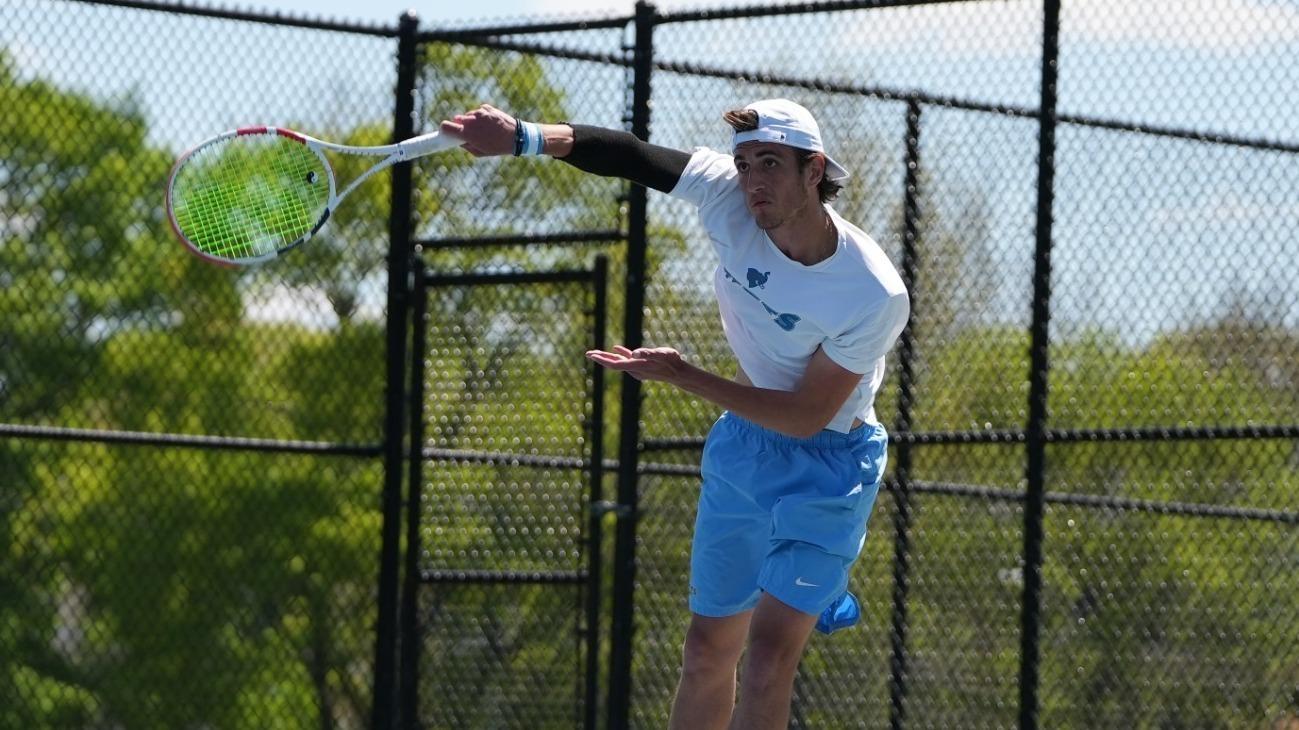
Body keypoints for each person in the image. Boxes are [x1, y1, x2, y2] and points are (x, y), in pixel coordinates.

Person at [441, 98, 909, 730]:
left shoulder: (872, 292)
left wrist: (683, 375)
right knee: (706, 652)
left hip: (831, 464)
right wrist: (522, 137)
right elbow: (631, 155)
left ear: (813, 169)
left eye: (770, 163)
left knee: (770, 659)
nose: (752, 181)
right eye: (744, 164)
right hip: (745, 448)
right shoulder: (729, 198)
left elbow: (803, 417)